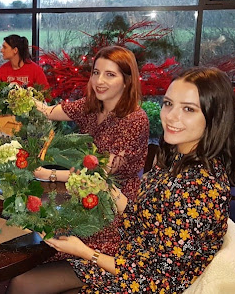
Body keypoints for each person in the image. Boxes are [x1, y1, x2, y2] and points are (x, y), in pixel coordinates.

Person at [7, 67, 235, 293]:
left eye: (188, 109)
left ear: (214, 116)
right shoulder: (178, 156)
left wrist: (86, 252)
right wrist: (109, 189)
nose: (171, 116)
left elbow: (158, 278)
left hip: (140, 280)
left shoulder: (200, 187)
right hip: (131, 259)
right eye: (168, 104)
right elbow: (147, 223)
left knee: (26, 282)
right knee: (25, 280)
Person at [34, 45, 149, 260]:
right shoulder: (92, 105)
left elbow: (99, 176)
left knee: (47, 248)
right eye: (96, 73)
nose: (99, 81)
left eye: (110, 74)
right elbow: (48, 111)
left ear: (127, 80)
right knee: (40, 239)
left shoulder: (135, 119)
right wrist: (18, 99)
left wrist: (49, 174)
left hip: (114, 207)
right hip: (84, 197)